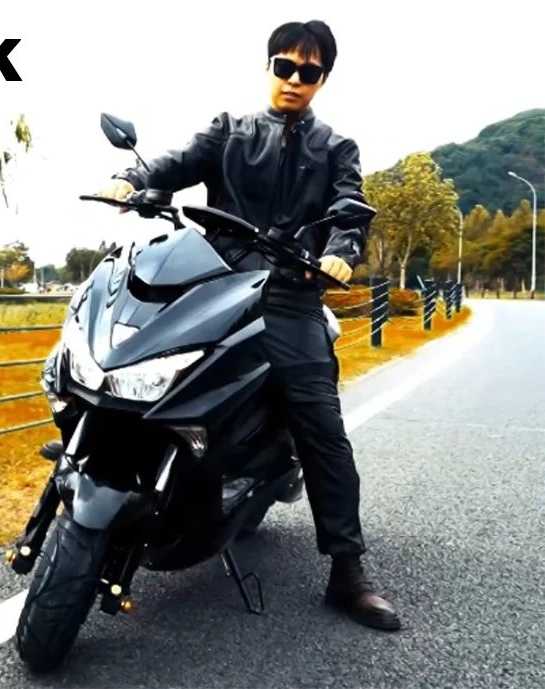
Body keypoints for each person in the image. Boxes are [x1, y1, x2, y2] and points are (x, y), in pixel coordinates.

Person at [97, 20, 400, 632]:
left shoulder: (336, 148)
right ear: (268, 68)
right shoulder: (229, 129)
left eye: (308, 72)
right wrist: (133, 181)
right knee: (127, 361)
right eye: (285, 67)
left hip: (289, 293)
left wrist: (341, 248)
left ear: (322, 80)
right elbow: (177, 162)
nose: (294, 79)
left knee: (321, 424)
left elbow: (350, 208)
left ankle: (348, 569)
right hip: (214, 280)